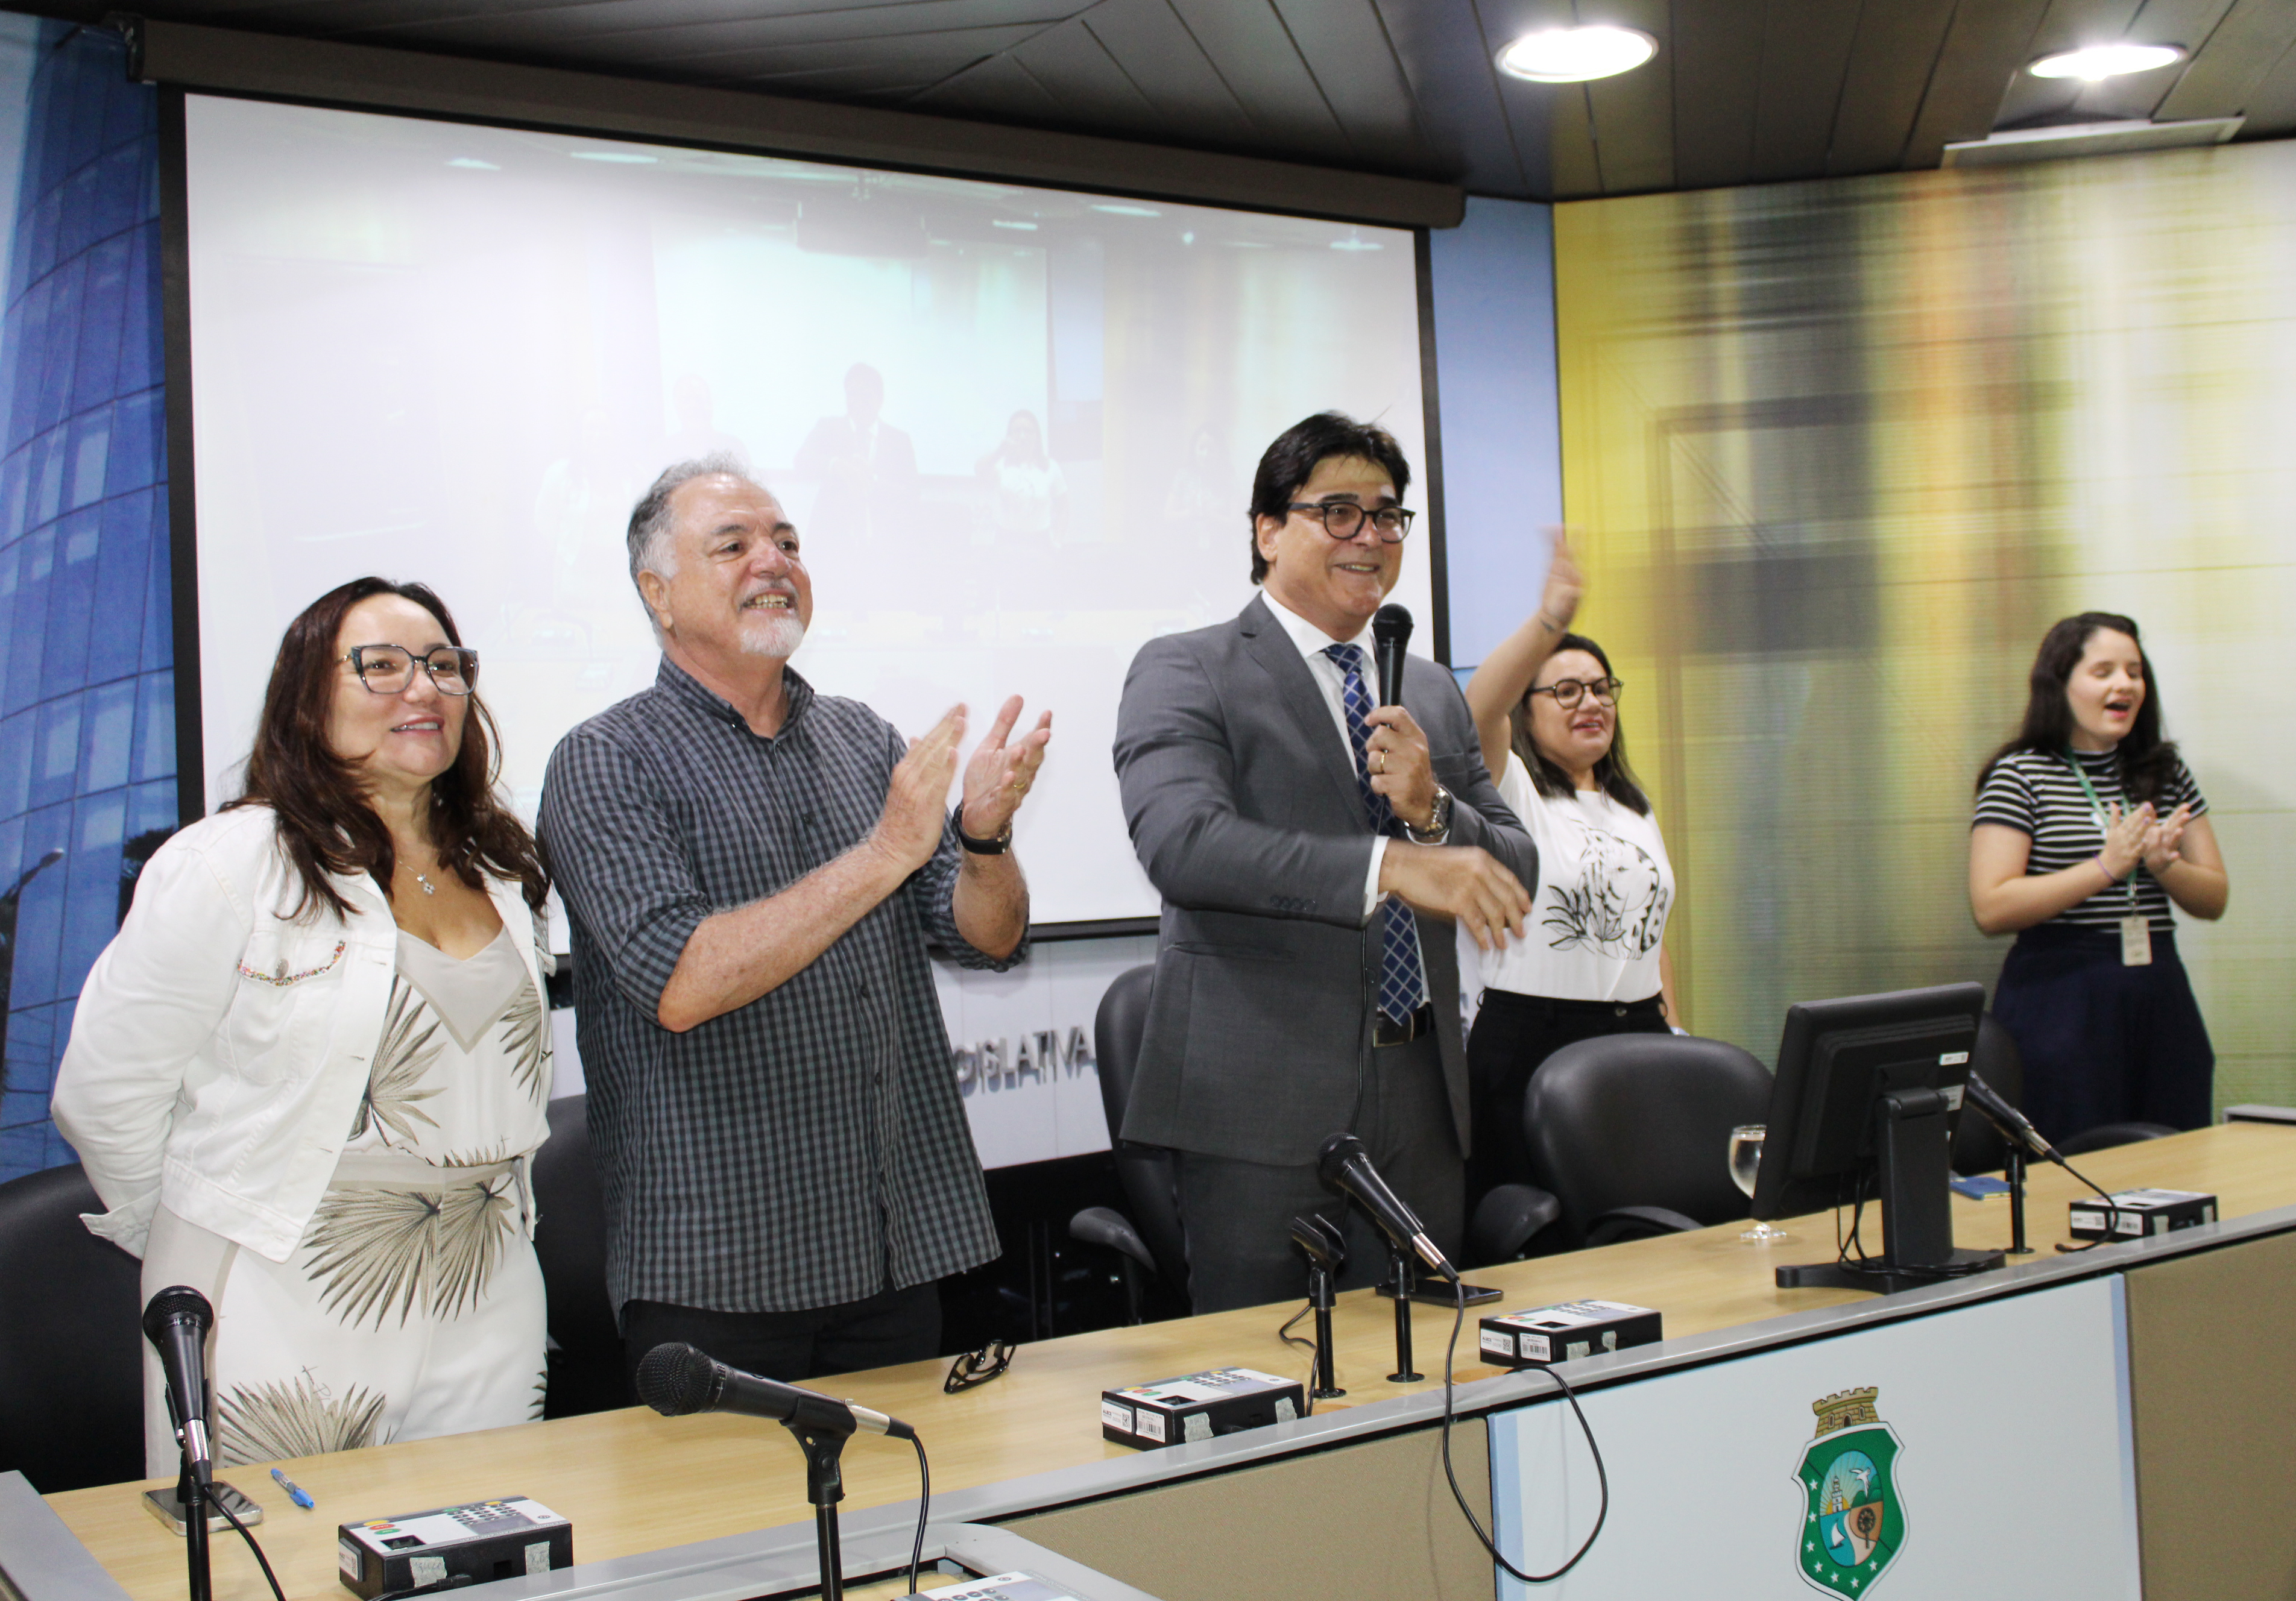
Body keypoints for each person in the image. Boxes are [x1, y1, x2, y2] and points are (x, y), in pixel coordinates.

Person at [537, 455, 1050, 1385]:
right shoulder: (606, 762)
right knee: (737, 1531)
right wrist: (884, 853)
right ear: (658, 592)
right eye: (733, 546)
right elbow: (682, 983)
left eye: (787, 543)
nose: (773, 562)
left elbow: (989, 935)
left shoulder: (863, 740)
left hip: (893, 1246)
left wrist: (983, 838)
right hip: (720, 1270)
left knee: (896, 1528)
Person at [53, 579, 555, 1474]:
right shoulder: (231, 865)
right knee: (283, 1572)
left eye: (445, 666)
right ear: (306, 697)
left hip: (489, 1293)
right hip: (279, 1298)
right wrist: (197, 1238)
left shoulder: (503, 867)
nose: (424, 688)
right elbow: (104, 1093)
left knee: (484, 1558)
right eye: (382, 665)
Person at [1112, 412, 1536, 1314]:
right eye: (1337, 512)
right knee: (1264, 1383)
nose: (1371, 537)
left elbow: (1513, 870)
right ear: (1268, 531)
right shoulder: (1189, 669)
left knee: (1427, 1380)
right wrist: (1386, 861)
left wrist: (1434, 811)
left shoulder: (1425, 689)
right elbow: (1182, 844)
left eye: (1388, 516)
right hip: (1260, 1107)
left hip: (1422, 1103)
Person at [1456, 535, 1682, 1209]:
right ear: (1528, 710)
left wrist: (1672, 1029)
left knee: (1642, 1220)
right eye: (1565, 690)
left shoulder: (1632, 808)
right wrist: (1549, 619)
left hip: (1637, 1034)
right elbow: (1477, 710)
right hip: (1530, 1042)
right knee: (1544, 1235)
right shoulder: (1513, 788)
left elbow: (1649, 931)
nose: (1592, 702)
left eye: (1601, 688)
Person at [1969, 612, 2228, 1140]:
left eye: (2134, 672)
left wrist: (2164, 867)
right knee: (2075, 1159)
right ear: (2059, 683)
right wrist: (2105, 868)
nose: (2124, 685)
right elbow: (1991, 907)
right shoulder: (2021, 772)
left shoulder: (2164, 771)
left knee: (2172, 1152)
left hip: (2158, 987)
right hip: (2060, 992)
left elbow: (2214, 897)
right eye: (2104, 670)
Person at [793, 362, 919, 548]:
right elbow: (801, 461)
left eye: (865, 396)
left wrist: (872, 481)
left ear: (880, 399)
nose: (857, 402)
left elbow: (912, 492)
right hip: (831, 540)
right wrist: (836, 465)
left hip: (884, 543)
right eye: (852, 395)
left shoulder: (899, 441)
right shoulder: (829, 427)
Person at [975, 409, 1066, 543]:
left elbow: (1064, 509)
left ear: (1037, 436)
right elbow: (979, 470)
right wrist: (1000, 452)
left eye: (1028, 431)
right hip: (1006, 540)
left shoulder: (1050, 467)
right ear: (1009, 435)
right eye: (1017, 431)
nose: (1022, 436)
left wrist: (1058, 542)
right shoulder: (1001, 465)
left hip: (1040, 541)